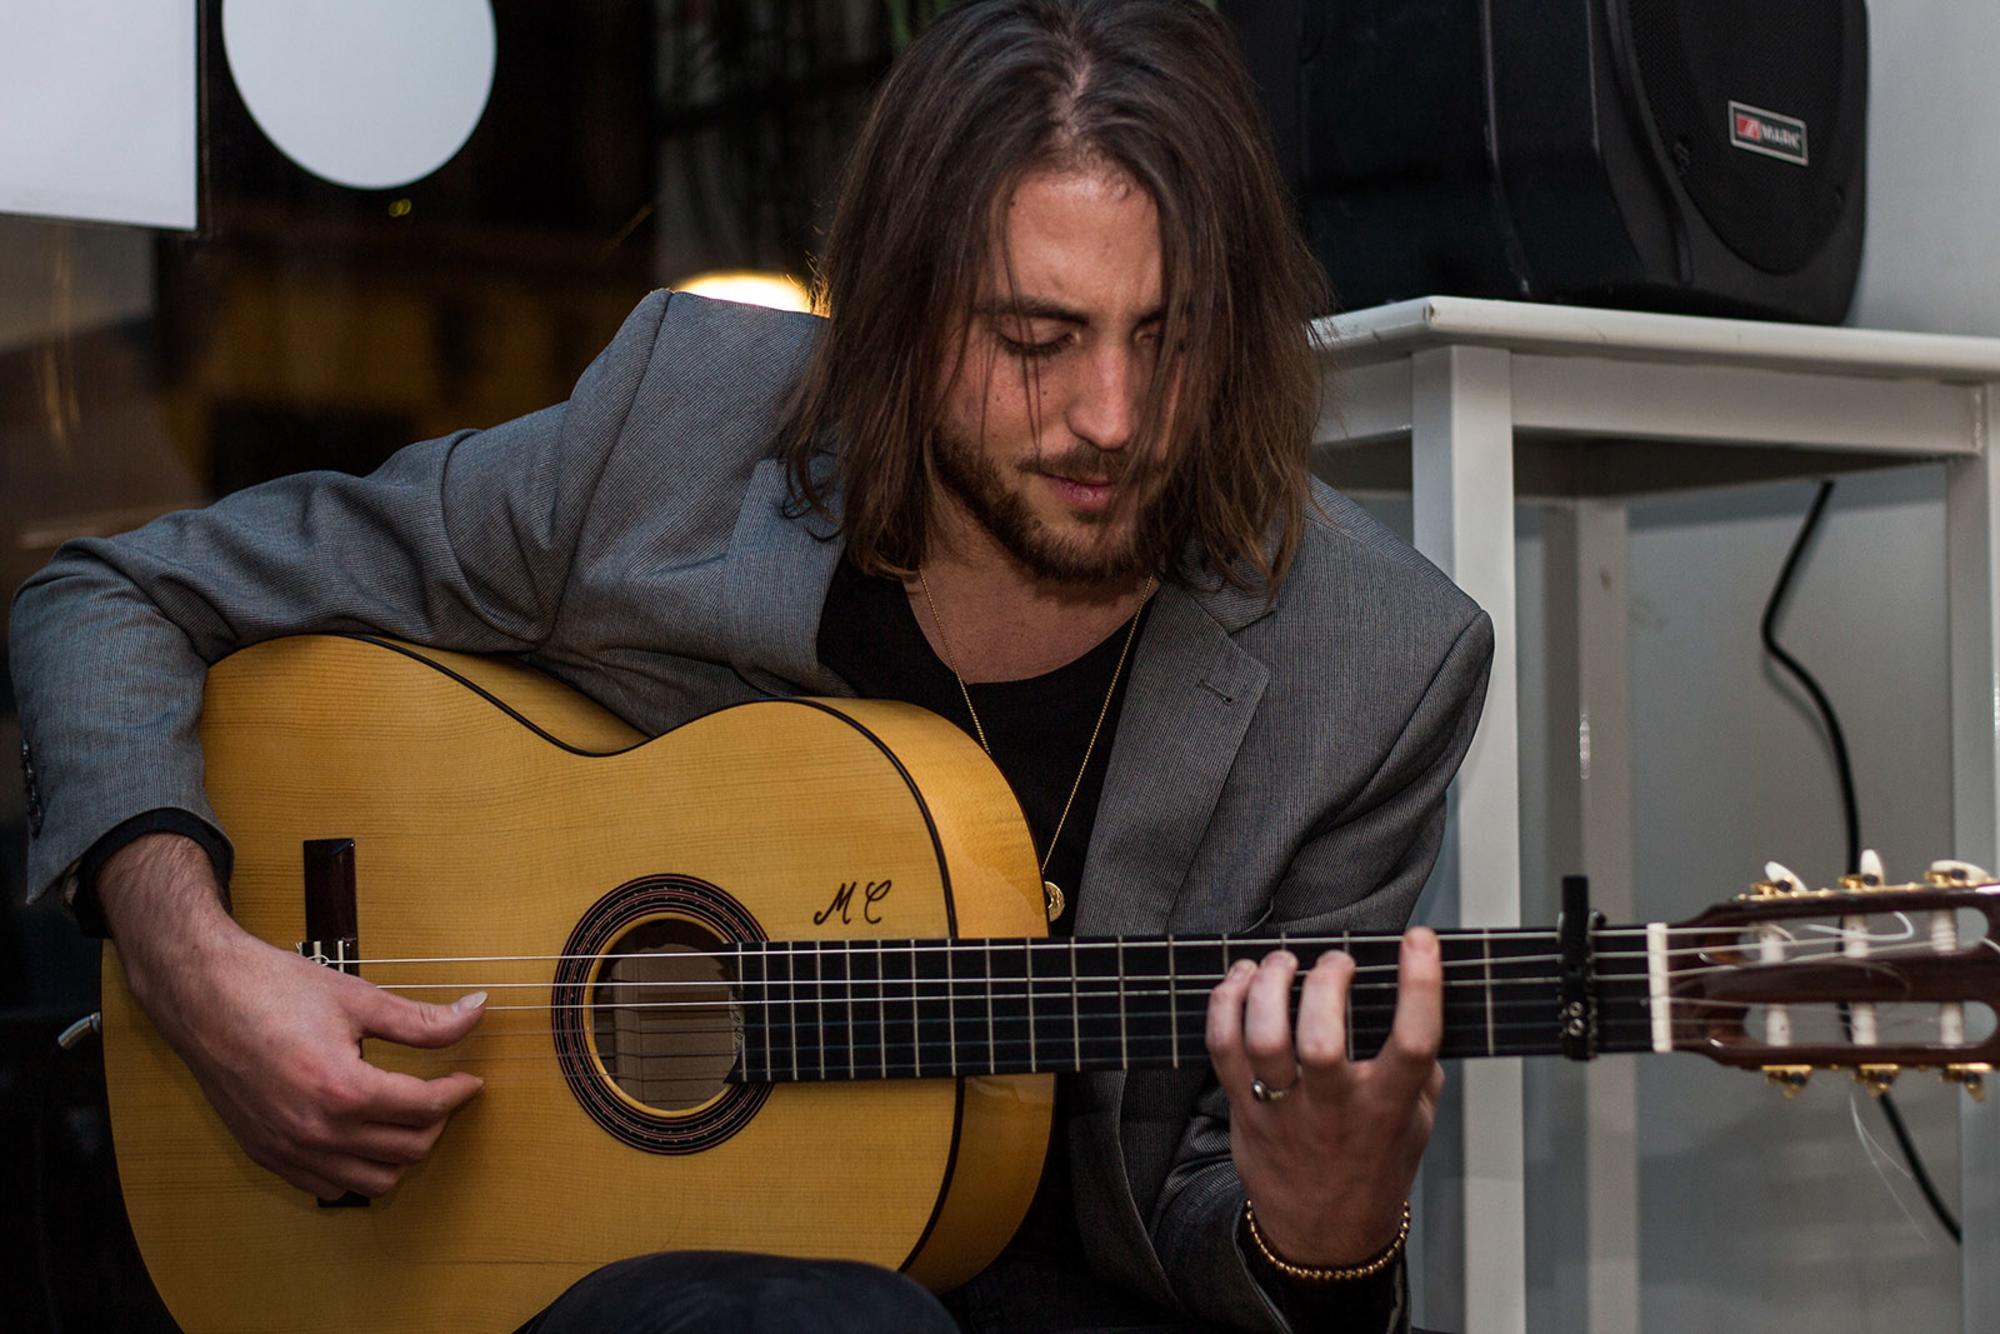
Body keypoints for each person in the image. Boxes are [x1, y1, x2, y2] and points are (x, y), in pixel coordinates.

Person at [10, 1, 1492, 1331]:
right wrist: (193, 962)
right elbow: (108, 596)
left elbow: (1233, 1243)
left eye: (1168, 342)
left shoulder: (1374, 665)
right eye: (1036, 339)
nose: (1111, 415)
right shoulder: (675, 442)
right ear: (904, 319)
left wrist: (1326, 1233)